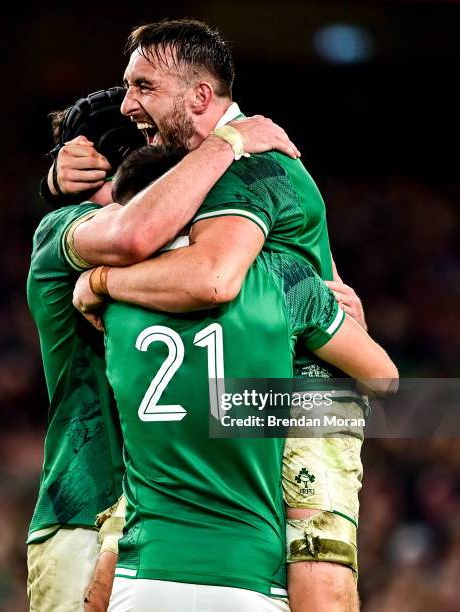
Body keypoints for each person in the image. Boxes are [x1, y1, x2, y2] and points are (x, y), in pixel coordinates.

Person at [68, 18, 369, 612]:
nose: (128, 104)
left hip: (302, 387)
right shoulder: (207, 162)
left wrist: (101, 280)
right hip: (229, 375)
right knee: (121, 543)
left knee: (318, 560)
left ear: (201, 96)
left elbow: (211, 278)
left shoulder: (247, 166)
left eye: (144, 87)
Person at [28, 88, 297, 612]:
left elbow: (374, 390)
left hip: (193, 542)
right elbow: (134, 233)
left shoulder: (234, 272)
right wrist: (228, 142)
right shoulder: (63, 231)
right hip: (89, 514)